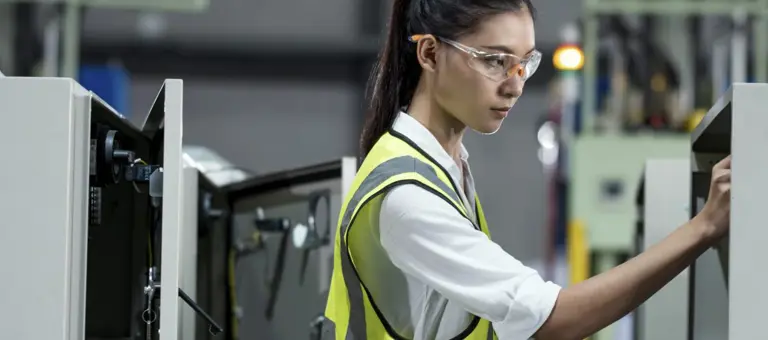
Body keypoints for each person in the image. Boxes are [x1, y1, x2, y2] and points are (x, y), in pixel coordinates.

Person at [321, 0, 733, 339]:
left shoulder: (443, 167)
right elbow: (552, 319)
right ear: (429, 53)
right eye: (495, 61)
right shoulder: (407, 196)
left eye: (524, 63)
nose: (515, 85)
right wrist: (703, 227)